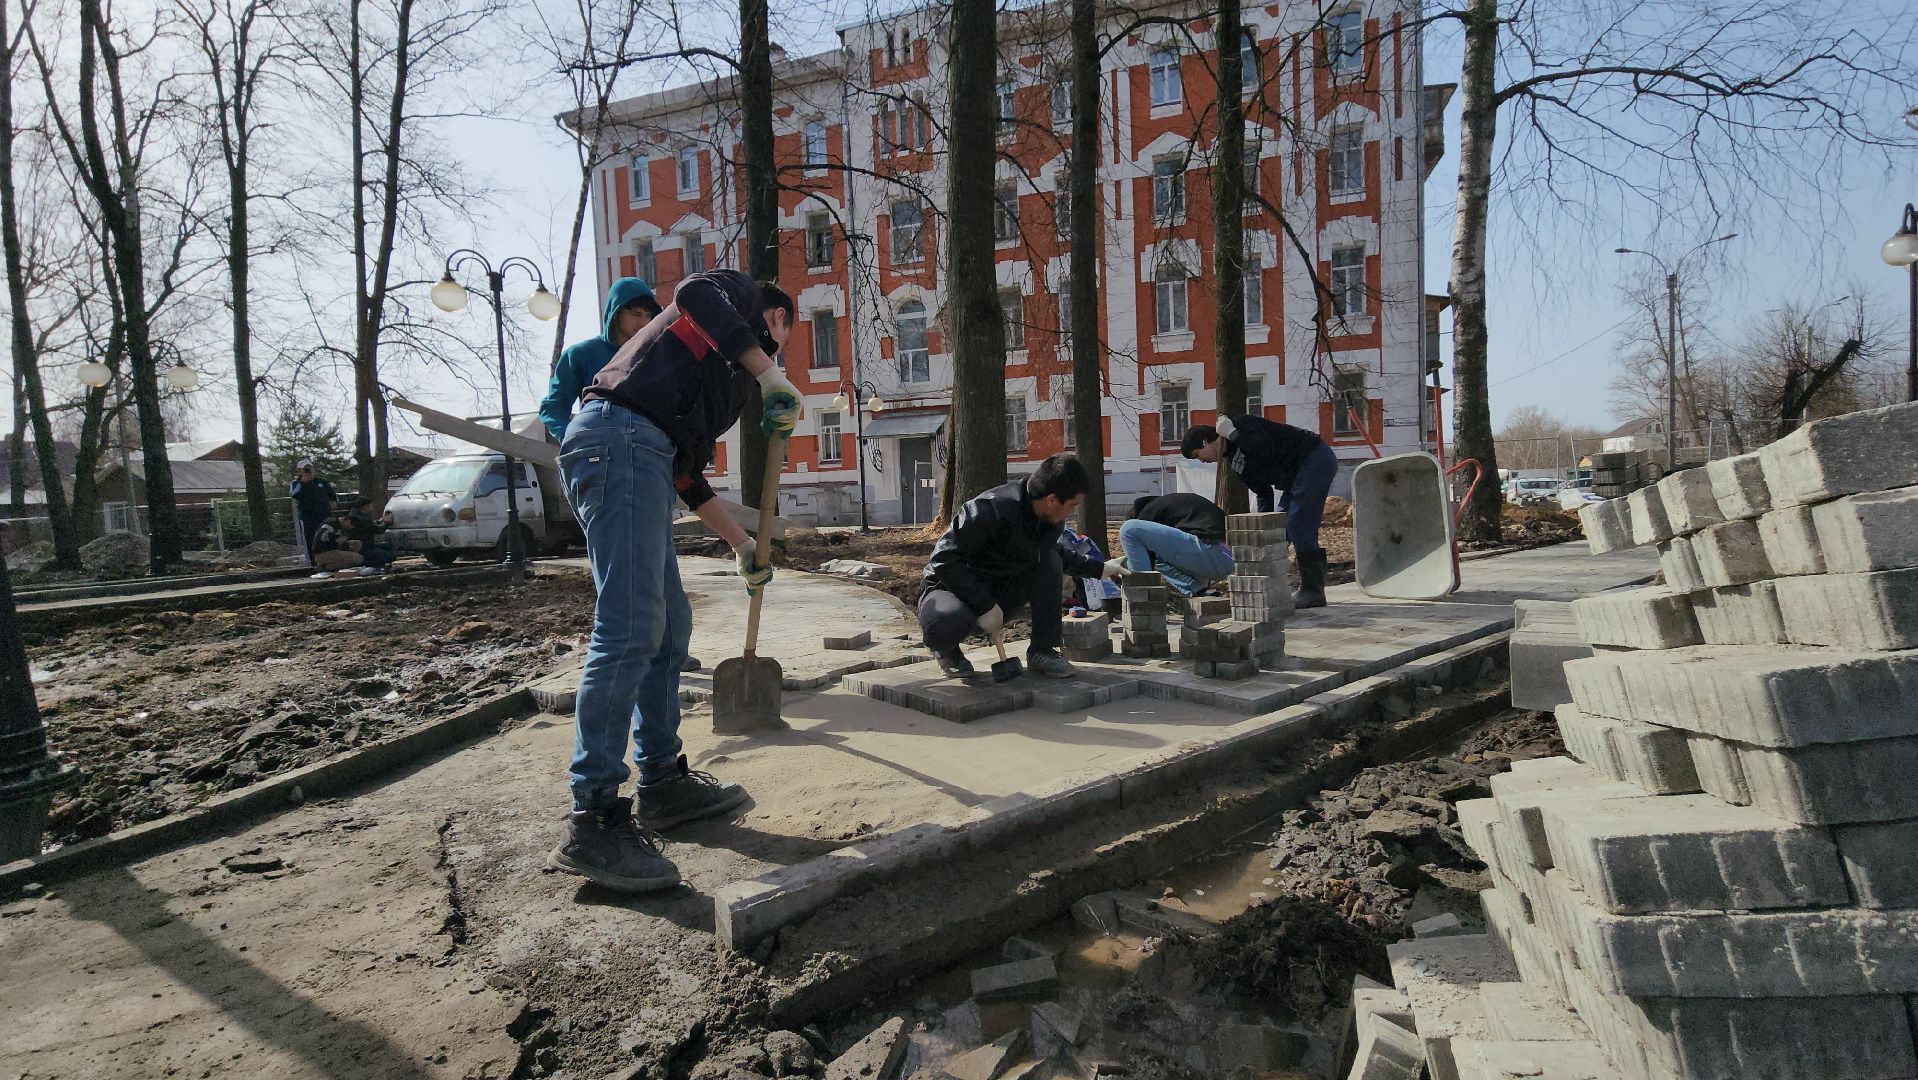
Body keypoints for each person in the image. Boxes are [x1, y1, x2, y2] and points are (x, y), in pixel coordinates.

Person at [549, 267, 801, 894]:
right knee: (631, 626)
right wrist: (767, 371)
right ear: (772, 317)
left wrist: (741, 544)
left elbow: (687, 474)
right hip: (618, 440)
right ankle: (592, 815)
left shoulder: (716, 378)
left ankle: (661, 781)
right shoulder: (734, 298)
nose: (777, 354)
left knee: (668, 628)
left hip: (644, 452)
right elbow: (693, 291)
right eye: (782, 338)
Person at [919, 453, 1125, 680]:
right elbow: (943, 558)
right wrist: (983, 604)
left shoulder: (1048, 521)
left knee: (1050, 561)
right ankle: (946, 651)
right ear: (1052, 500)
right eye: (1072, 505)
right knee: (944, 624)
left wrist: (1100, 569)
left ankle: (1042, 650)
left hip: (1000, 590)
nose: (1073, 511)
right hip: (951, 589)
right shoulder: (990, 509)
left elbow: (1055, 553)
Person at [1182, 416, 1338, 608]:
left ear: (1205, 442)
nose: (1202, 461)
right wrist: (1262, 528)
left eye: (1197, 455)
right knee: (1280, 529)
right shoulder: (1235, 463)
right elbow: (1263, 493)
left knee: (1299, 524)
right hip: (1295, 477)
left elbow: (1265, 447)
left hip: (1313, 458)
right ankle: (1275, 587)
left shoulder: (1242, 425)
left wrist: (1235, 435)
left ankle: (1313, 591)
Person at [540, 277, 662, 443]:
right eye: (636, 314)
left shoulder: (656, 357)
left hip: (649, 450)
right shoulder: (580, 355)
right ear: (616, 313)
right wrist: (574, 442)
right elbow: (554, 408)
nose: (644, 323)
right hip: (599, 452)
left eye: (648, 316)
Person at [1120, 492, 1232, 597]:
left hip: (1214, 552)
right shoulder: (1173, 507)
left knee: (1129, 529)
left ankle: (1141, 592)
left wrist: (1126, 569)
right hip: (1227, 558)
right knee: (1158, 558)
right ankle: (1199, 590)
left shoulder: (1147, 513)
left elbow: (1147, 562)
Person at [289, 459, 337, 566]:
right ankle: (312, 562)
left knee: (327, 537)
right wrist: (303, 482)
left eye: (309, 468)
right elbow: (293, 494)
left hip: (324, 516)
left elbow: (332, 495)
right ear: (299, 471)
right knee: (310, 539)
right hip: (308, 518)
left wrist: (333, 503)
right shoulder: (296, 483)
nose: (308, 470)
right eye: (305, 469)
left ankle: (329, 561)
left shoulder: (322, 482)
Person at [346, 496, 397, 570]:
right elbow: (379, 530)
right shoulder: (362, 519)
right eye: (371, 505)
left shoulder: (354, 515)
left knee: (388, 545)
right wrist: (387, 522)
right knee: (391, 557)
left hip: (367, 545)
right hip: (365, 548)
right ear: (366, 507)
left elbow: (371, 526)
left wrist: (379, 522)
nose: (372, 507)